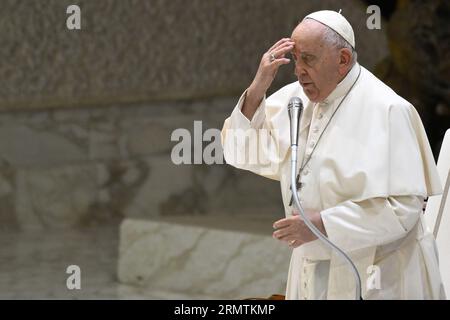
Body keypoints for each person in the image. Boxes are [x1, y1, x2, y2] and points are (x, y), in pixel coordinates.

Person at [221, 10, 446, 300]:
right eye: (297, 58)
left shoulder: (388, 109)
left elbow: (403, 209)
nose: (298, 70)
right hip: (310, 269)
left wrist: (321, 226)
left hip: (378, 273)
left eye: (309, 59)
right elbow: (238, 153)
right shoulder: (296, 99)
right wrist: (257, 89)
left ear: (342, 60)